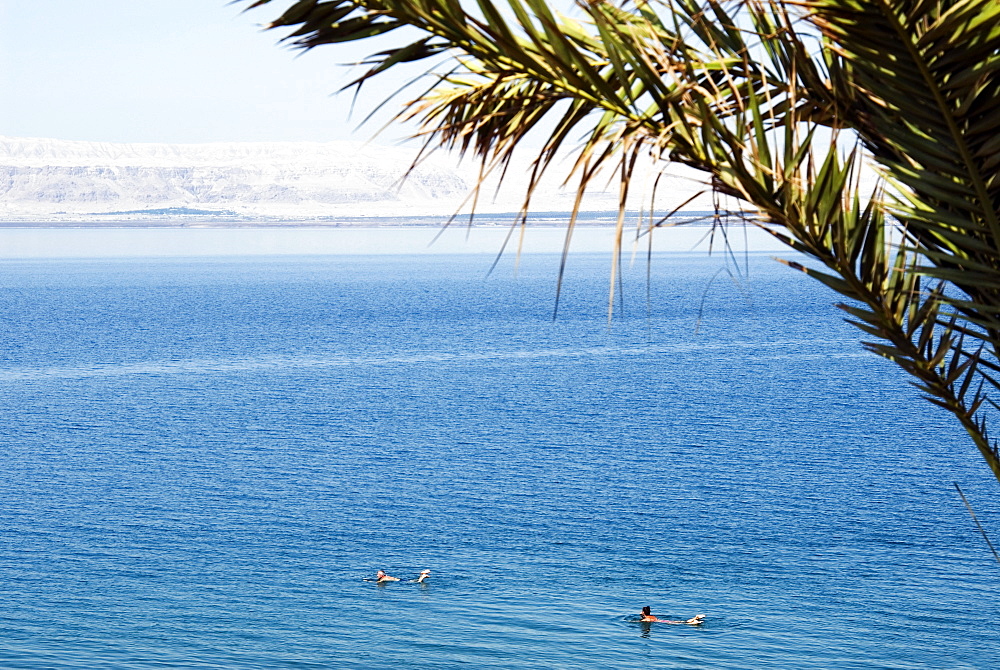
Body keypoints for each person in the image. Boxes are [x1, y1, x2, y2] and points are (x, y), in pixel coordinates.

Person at [640, 606, 704, 625]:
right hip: (663, 621)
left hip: (662, 622)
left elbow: (642, 620)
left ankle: (695, 620)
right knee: (682, 622)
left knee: (684, 623)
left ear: (643, 612)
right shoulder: (652, 616)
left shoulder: (646, 619)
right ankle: (695, 619)